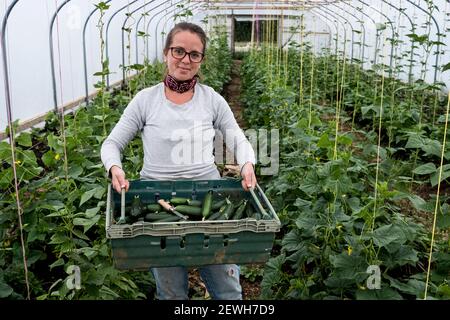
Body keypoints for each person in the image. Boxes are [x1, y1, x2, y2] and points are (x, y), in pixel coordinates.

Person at [101, 22, 257, 300]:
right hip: (157, 202)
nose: (186, 60)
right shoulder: (145, 100)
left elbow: (238, 140)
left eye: (194, 54)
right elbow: (112, 143)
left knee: (228, 289)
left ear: (202, 60)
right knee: (171, 292)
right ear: (166, 53)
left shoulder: (212, 100)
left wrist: (247, 163)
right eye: (179, 51)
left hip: (210, 201)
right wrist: (115, 168)